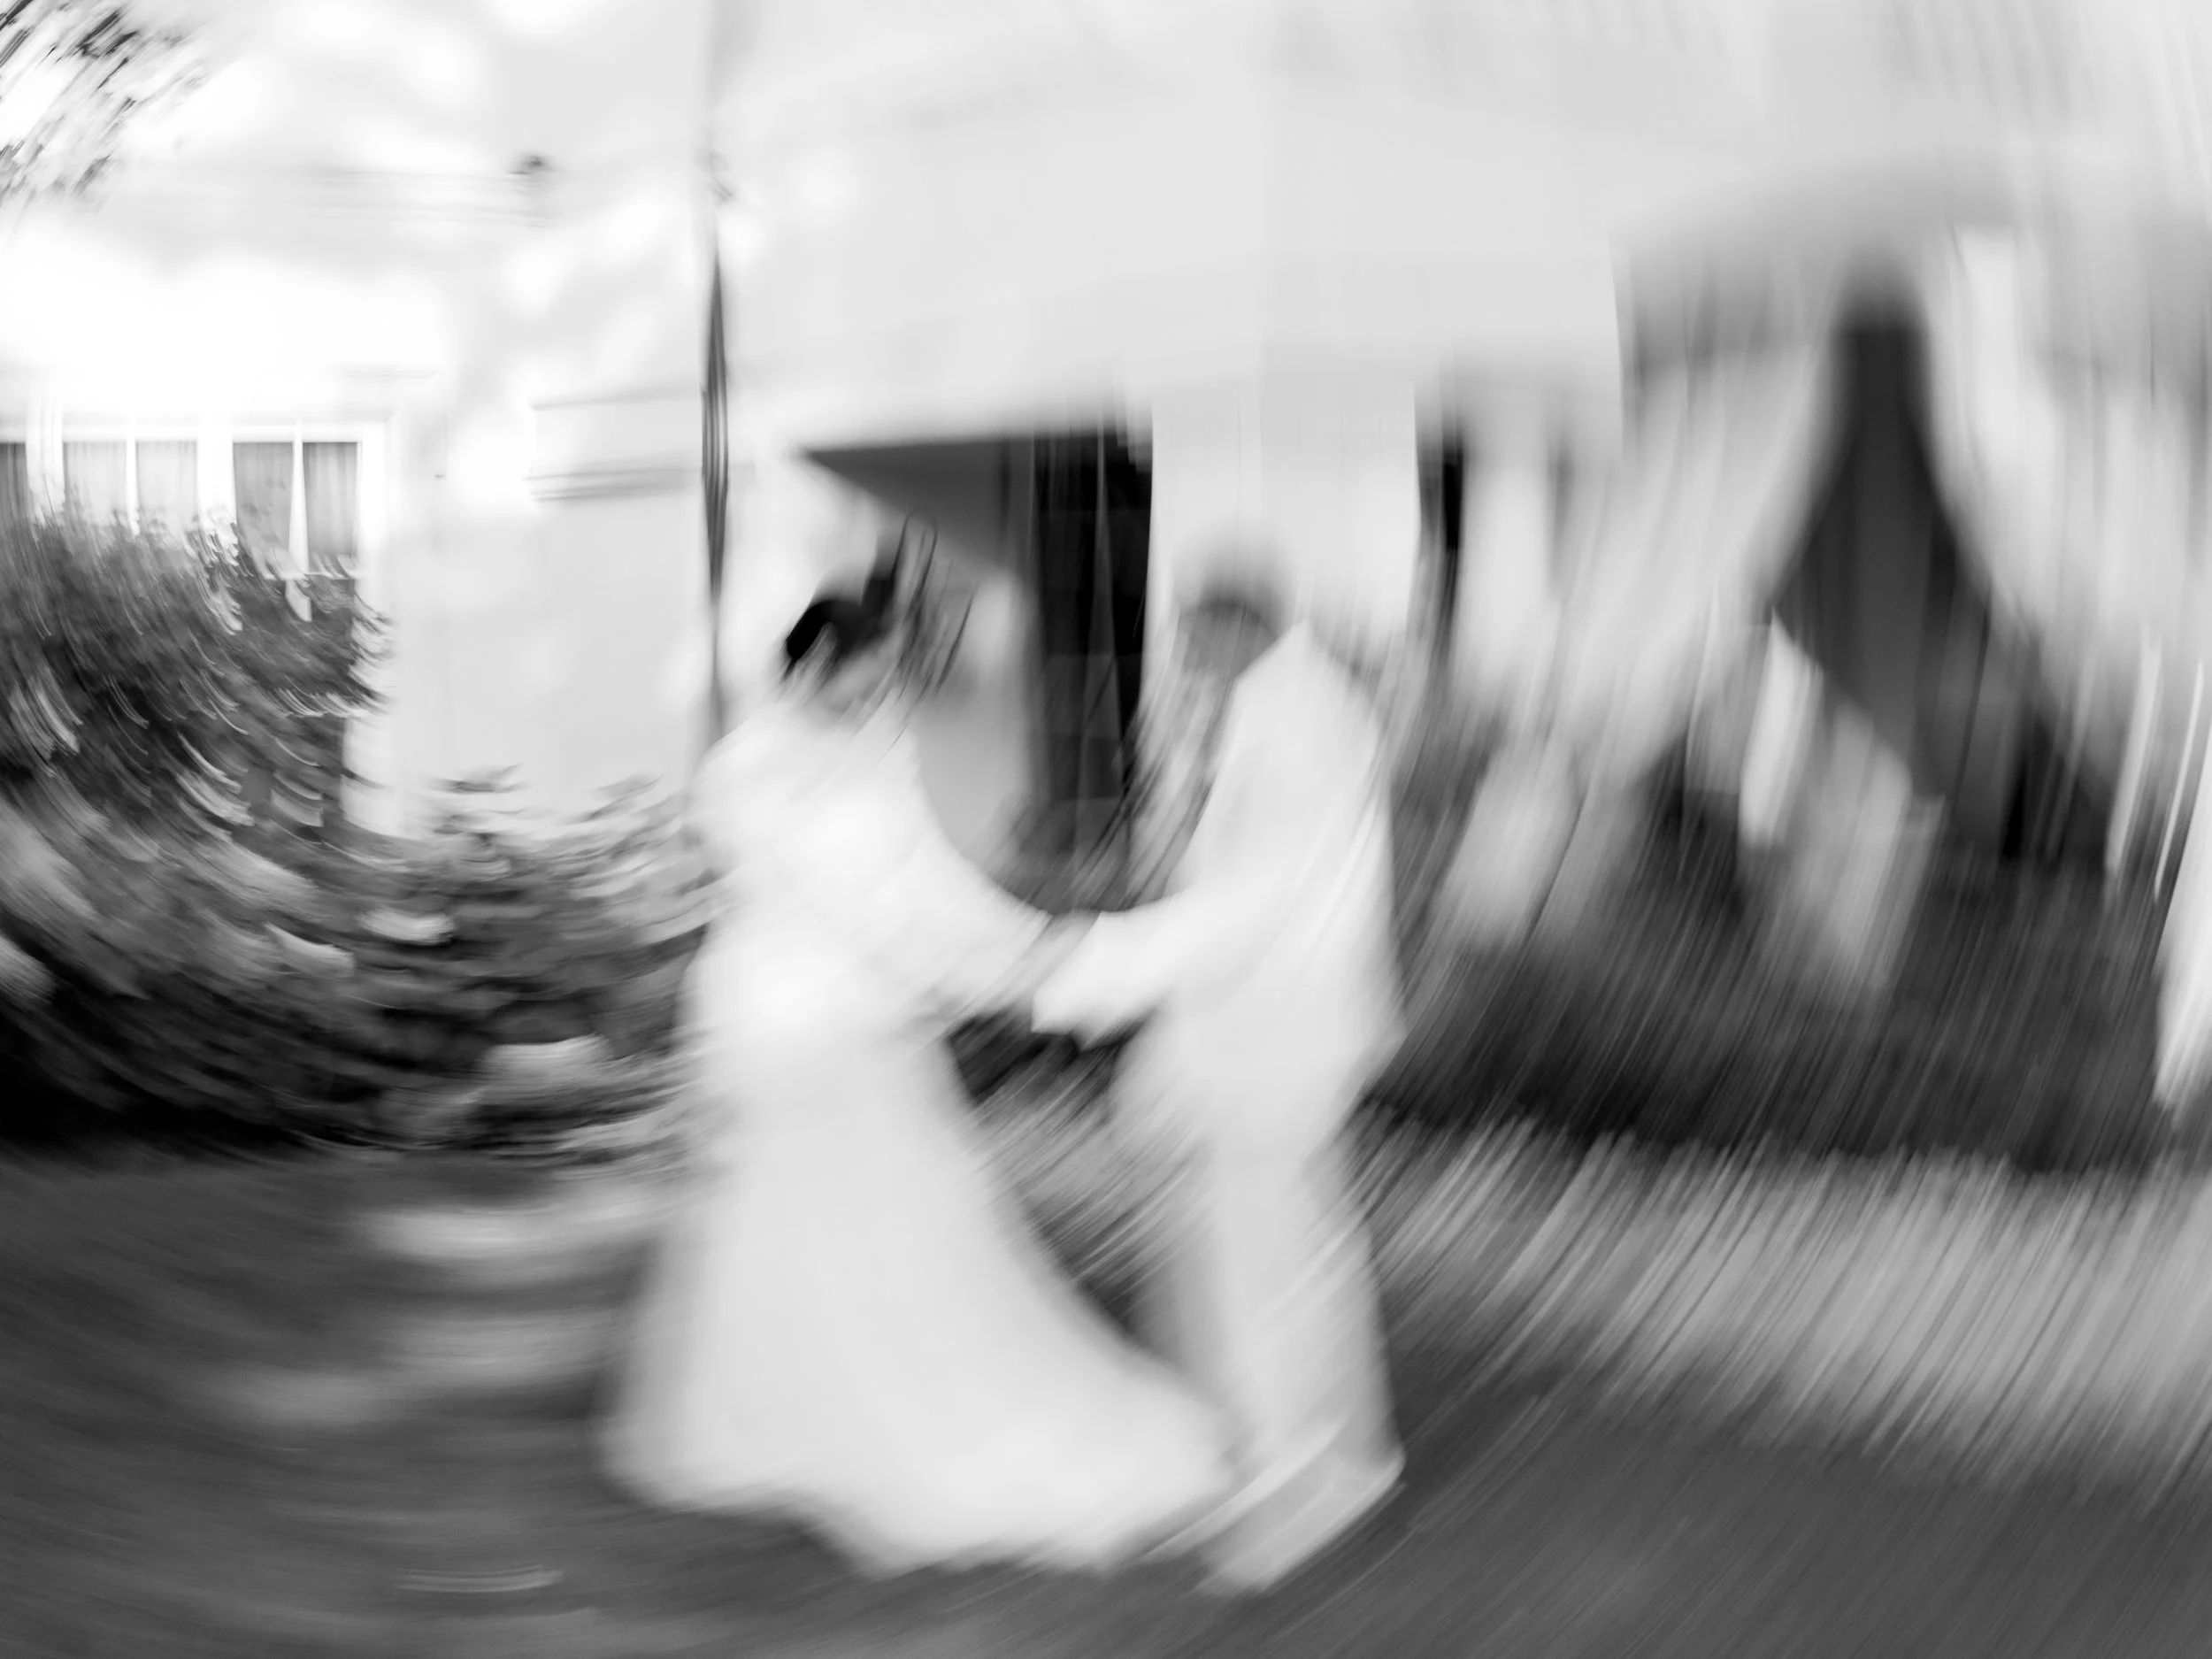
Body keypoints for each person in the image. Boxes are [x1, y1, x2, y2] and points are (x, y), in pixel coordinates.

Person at [601, 584, 1233, 1577]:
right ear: (813, 661)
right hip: (779, 1027)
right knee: (781, 1229)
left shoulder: (880, 751)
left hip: (868, 1024)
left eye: (891, 669)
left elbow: (925, 879)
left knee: (894, 1223)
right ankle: (792, 1420)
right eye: (871, 666)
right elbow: (857, 907)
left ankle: (872, 1414)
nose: (884, 686)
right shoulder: (744, 773)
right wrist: (1000, 974)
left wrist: (1032, 948)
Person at [1031, 572, 1408, 1592]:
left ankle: (1296, 1476)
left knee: (1265, 1262)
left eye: (1192, 637)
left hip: (1274, 1034)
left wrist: (1106, 966)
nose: (1184, 660)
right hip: (1266, 1029)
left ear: (1241, 625)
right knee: (1273, 1251)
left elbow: (1256, 898)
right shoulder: (1289, 706)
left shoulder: (1297, 727)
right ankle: (1318, 1454)